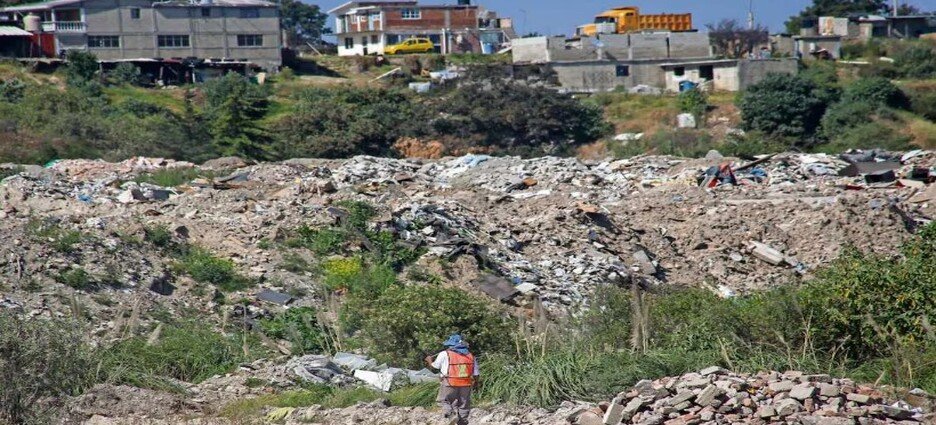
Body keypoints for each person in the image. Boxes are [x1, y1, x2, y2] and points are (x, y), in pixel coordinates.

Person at [424, 334, 478, 425]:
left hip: (450, 382)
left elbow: (435, 367)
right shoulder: (470, 355)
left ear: (451, 345)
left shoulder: (445, 353)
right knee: (464, 405)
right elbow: (476, 373)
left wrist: (429, 361)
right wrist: (476, 383)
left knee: (443, 401)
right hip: (466, 384)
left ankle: (451, 415)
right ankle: (463, 422)